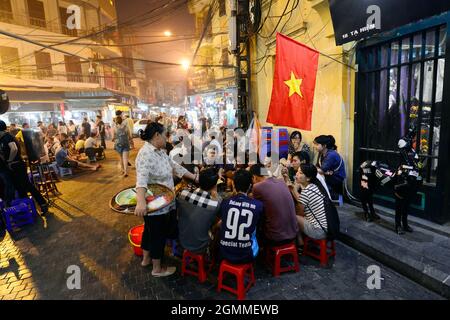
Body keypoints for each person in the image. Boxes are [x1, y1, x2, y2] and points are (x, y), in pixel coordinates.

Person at [134, 122, 199, 277]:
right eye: (165, 135)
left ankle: (146, 259)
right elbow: (141, 180)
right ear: (157, 135)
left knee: (149, 231)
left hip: (164, 200)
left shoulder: (160, 152)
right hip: (156, 203)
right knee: (158, 235)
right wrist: (140, 201)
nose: (167, 138)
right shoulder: (146, 154)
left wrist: (194, 178)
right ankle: (157, 269)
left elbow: (176, 167)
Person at [0, 120, 48, 214]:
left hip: (17, 165)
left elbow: (13, 148)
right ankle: (28, 209)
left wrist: (10, 160)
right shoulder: (3, 138)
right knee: (20, 188)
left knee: (27, 185)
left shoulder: (7, 137)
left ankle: (42, 204)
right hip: (13, 166)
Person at [217, 169, 263, 264]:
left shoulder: (225, 203)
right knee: (255, 229)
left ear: (233, 184)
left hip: (224, 252)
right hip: (247, 255)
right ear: (250, 186)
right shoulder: (258, 205)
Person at [250, 164, 299, 246]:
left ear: (254, 177)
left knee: (257, 218)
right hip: (294, 233)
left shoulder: (257, 187)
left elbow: (255, 207)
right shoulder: (281, 181)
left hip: (276, 237)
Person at [177, 168, 221, 256]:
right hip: (200, 246)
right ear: (214, 186)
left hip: (181, 241)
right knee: (219, 225)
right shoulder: (215, 203)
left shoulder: (183, 194)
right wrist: (217, 196)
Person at [294, 164, 328, 246]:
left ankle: (300, 242)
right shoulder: (314, 186)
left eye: (300, 173)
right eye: (297, 172)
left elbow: (299, 213)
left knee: (294, 217)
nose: (297, 174)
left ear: (308, 178)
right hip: (326, 228)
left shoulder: (307, 191)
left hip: (319, 231)